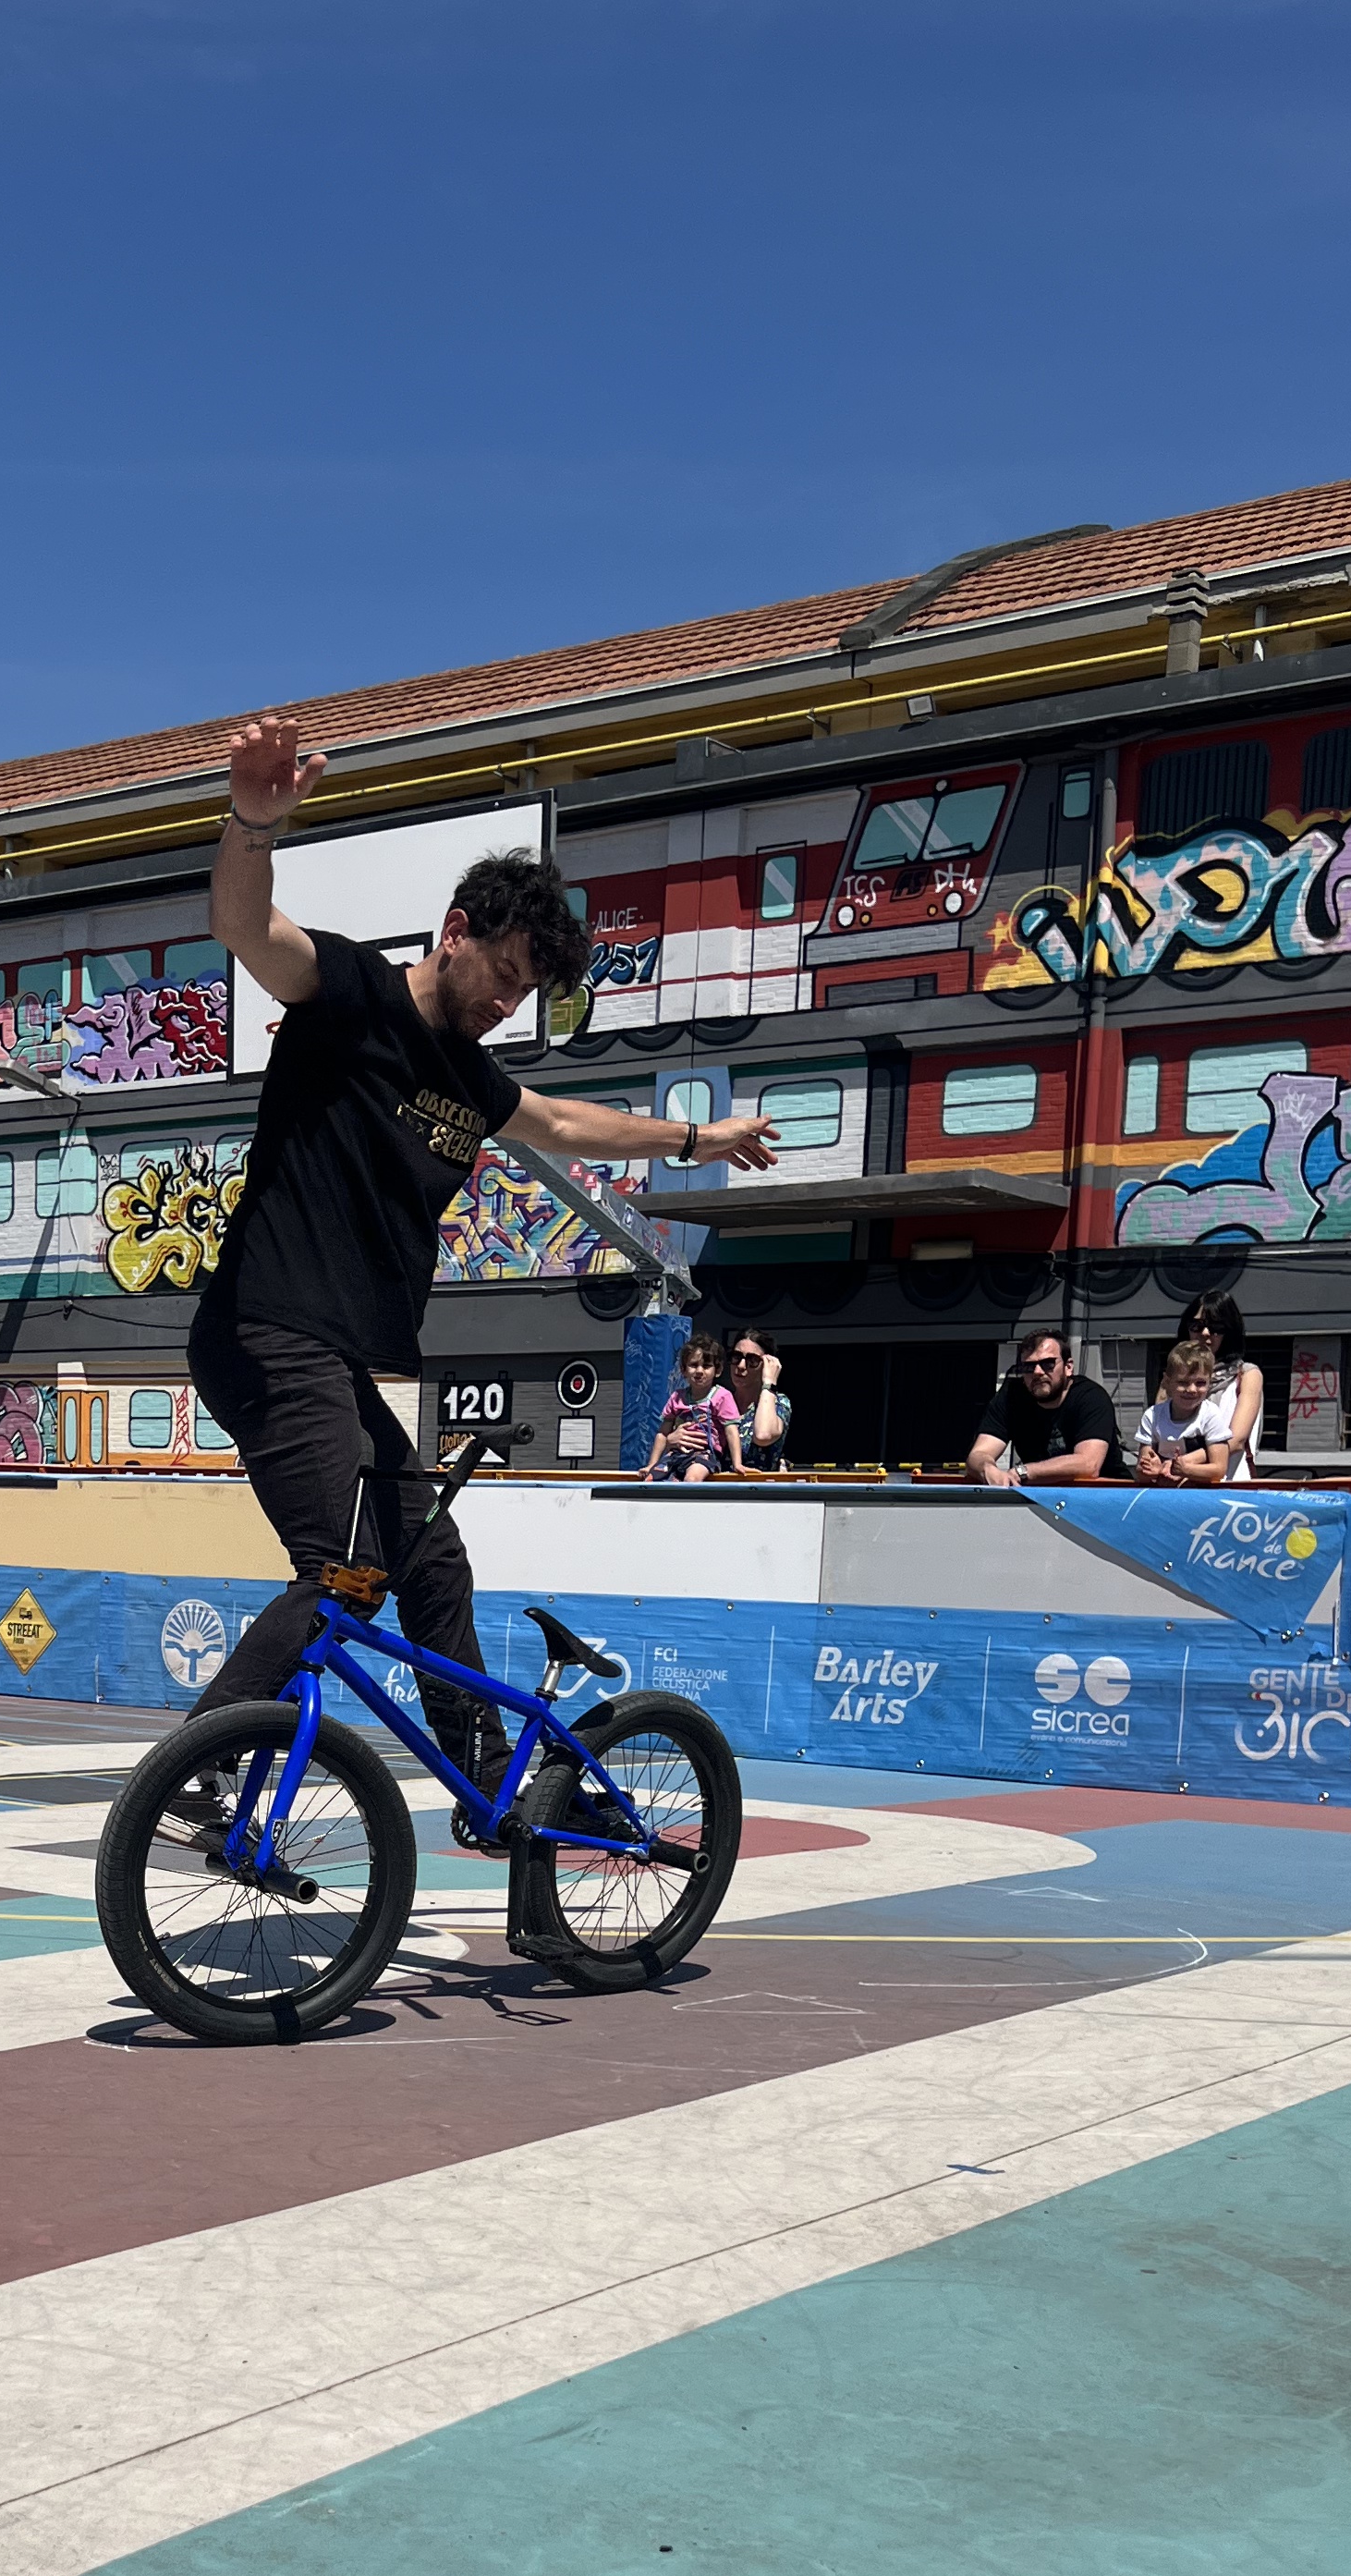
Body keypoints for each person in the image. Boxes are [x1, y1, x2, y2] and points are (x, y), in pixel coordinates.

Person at [190, 713, 778, 1843]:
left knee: (428, 1560)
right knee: (343, 1572)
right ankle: (205, 1769)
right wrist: (252, 825)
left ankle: (488, 1783)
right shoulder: (349, 994)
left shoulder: (472, 1078)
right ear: (455, 932)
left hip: (341, 1358)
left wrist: (699, 1140)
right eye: (502, 975)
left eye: (524, 992)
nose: (506, 1003)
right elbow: (244, 927)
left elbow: (566, 1122)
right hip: (267, 1327)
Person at [968, 1329, 1118, 1484]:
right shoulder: (1011, 1396)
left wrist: (1023, 1472)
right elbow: (979, 1453)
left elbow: (1088, 1465)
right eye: (1028, 1366)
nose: (1037, 1372)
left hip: (1104, 1493)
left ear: (1068, 1367)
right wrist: (987, 1469)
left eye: (1048, 1364)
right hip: (1037, 1493)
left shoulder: (1091, 1397)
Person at [1172, 1290, 1262, 1481]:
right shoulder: (1175, 1375)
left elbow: (1236, 1440)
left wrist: (1183, 1463)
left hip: (1230, 1485)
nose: (1205, 1333)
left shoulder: (1247, 1375)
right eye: (1196, 1326)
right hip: (1179, 1485)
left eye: (1216, 1328)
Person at [1134, 1334, 1246, 1484]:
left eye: (1200, 1383)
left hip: (1201, 1493)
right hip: (1164, 1493)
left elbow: (1219, 1469)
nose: (1192, 1389)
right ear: (1167, 1381)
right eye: (1183, 1382)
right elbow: (1141, 1472)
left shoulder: (1210, 1415)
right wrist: (1151, 1470)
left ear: (1209, 1382)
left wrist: (1185, 1470)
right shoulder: (1152, 1416)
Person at [643, 1334, 745, 1481]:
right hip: (675, 1453)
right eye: (694, 1365)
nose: (699, 1371)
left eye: (706, 1366)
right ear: (683, 1370)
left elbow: (731, 1430)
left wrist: (737, 1464)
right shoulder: (677, 1397)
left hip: (704, 1454)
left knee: (692, 1478)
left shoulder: (722, 1396)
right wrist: (651, 1464)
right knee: (651, 1479)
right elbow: (663, 1433)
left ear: (717, 1370)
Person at [727, 1331, 792, 1470]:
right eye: (736, 1357)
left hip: (757, 1483)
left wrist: (769, 1383)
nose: (741, 1366)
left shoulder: (779, 1403)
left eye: (752, 1361)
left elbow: (763, 1435)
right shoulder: (720, 1401)